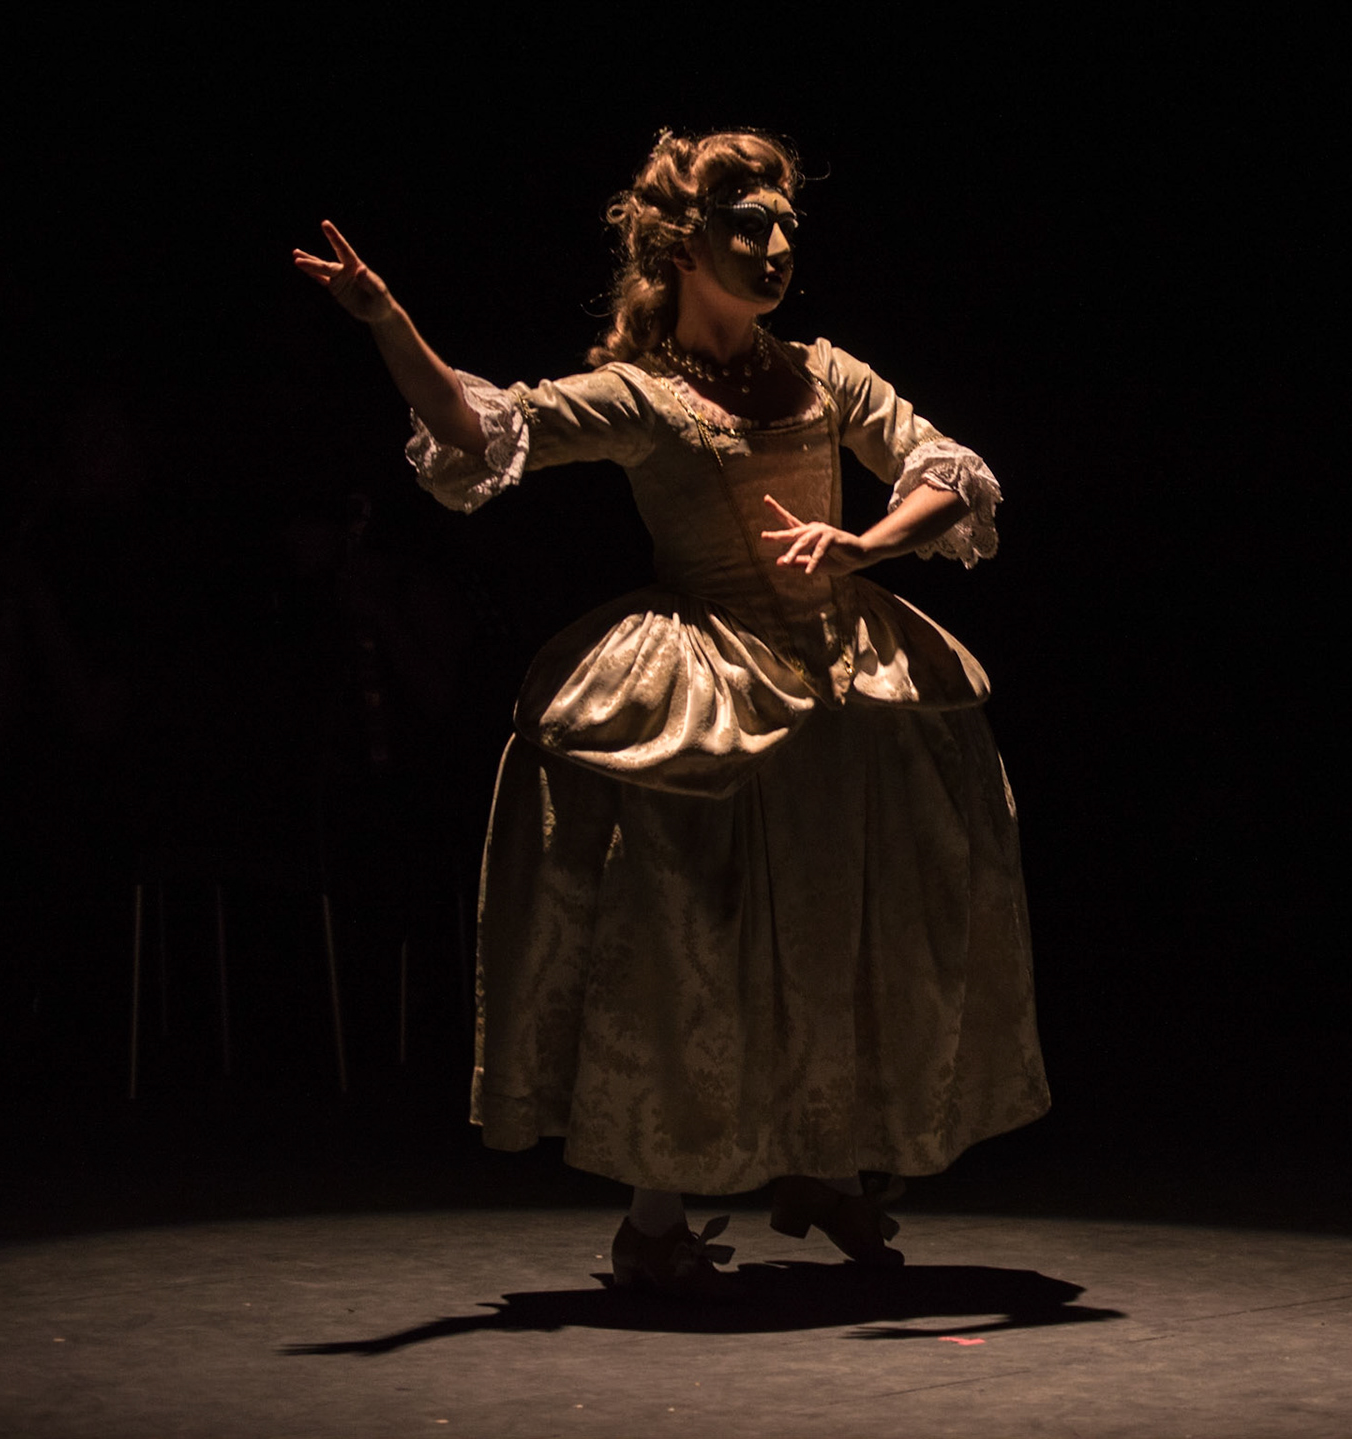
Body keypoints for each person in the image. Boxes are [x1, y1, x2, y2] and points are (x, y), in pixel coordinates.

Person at [294, 130, 1050, 1296]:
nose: (778, 245)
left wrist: (860, 545)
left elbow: (947, 467)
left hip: (844, 695)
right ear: (682, 245)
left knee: (845, 923)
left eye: (787, 224)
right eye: (751, 224)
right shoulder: (648, 398)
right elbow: (487, 431)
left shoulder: (828, 376)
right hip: (714, 702)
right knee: (695, 947)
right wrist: (388, 319)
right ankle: (654, 1221)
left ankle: (823, 1163)